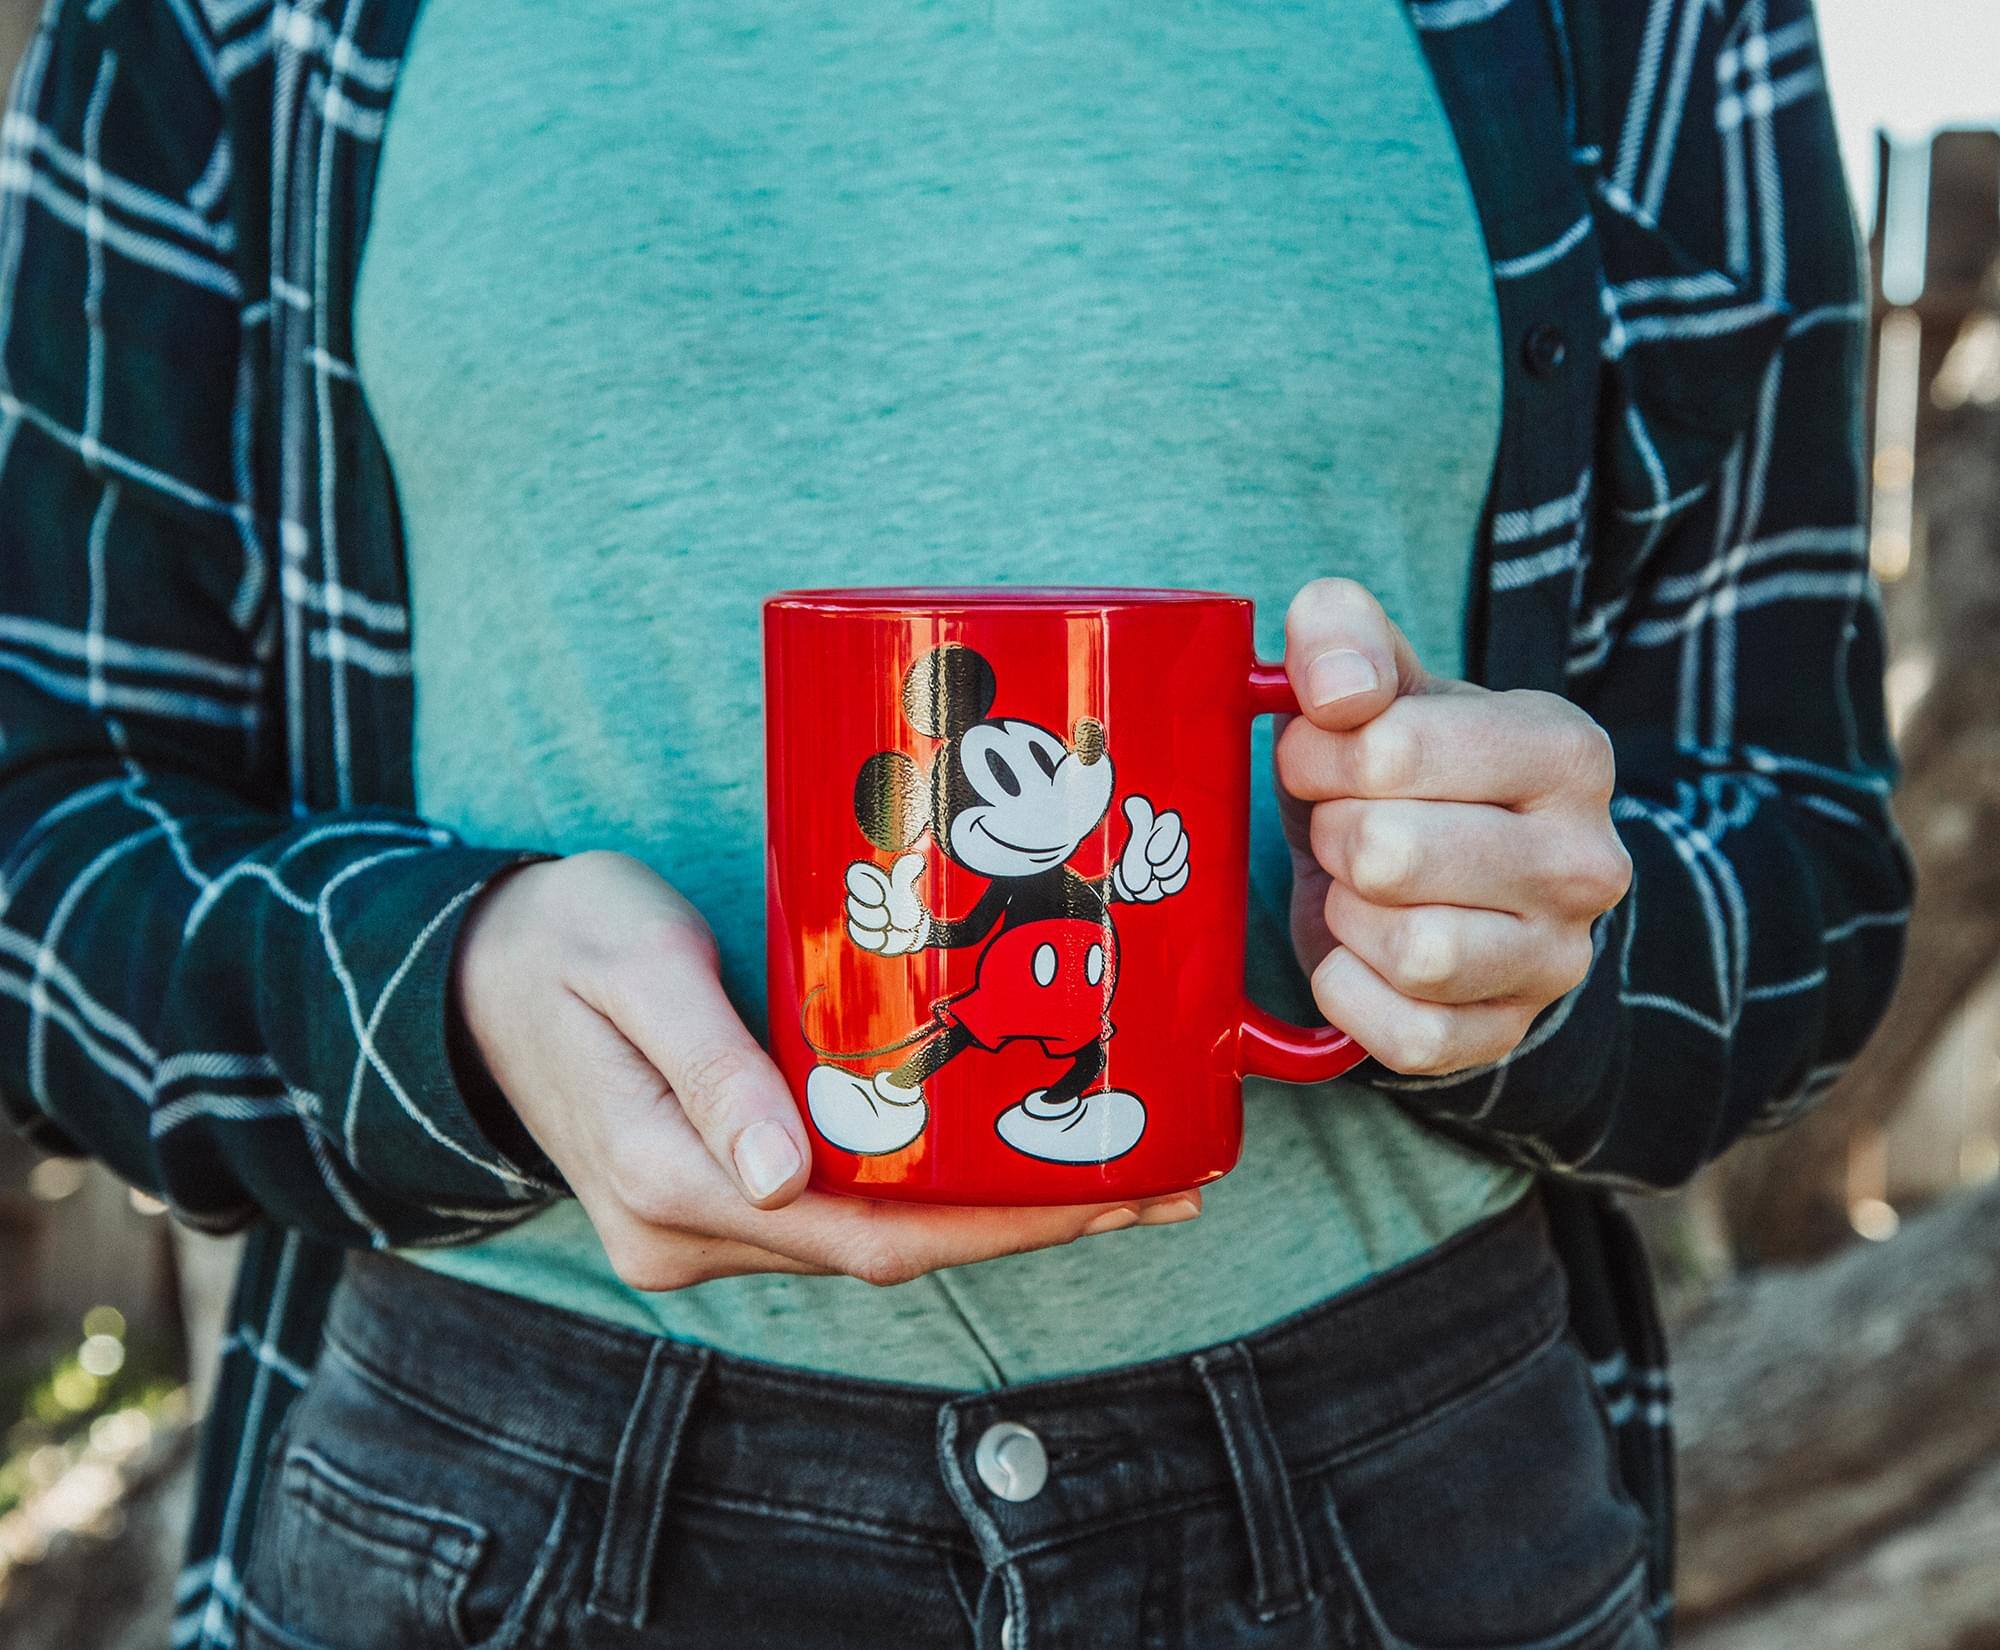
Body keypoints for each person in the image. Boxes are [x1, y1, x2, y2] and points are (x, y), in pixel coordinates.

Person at [0, 0, 1909, 1646]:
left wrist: (1543, 938)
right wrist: (441, 1001)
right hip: (505, 1483)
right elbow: (40, 853)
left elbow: (1803, 854)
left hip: (1404, 1493)